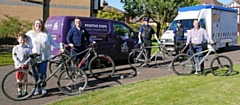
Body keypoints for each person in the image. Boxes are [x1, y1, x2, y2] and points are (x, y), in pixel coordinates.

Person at [26, 19, 61, 95]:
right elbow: (24, 42)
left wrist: (59, 48)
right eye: (36, 23)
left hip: (44, 56)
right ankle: (36, 88)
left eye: (39, 23)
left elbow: (53, 42)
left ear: (42, 25)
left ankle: (43, 87)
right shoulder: (29, 34)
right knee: (35, 73)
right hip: (34, 57)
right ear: (34, 25)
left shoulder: (46, 34)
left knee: (43, 73)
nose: (38, 25)